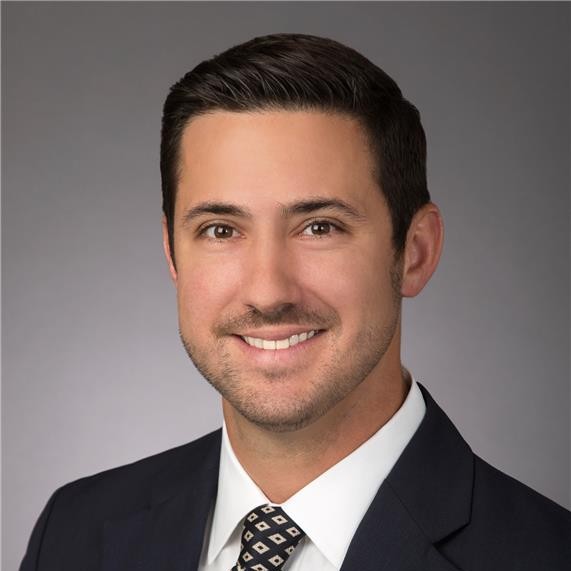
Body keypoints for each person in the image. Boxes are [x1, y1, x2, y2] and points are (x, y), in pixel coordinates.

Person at [20, 32, 569, 571]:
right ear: (172, 255)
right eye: (220, 230)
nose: (268, 293)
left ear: (415, 252)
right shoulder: (74, 534)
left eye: (319, 227)